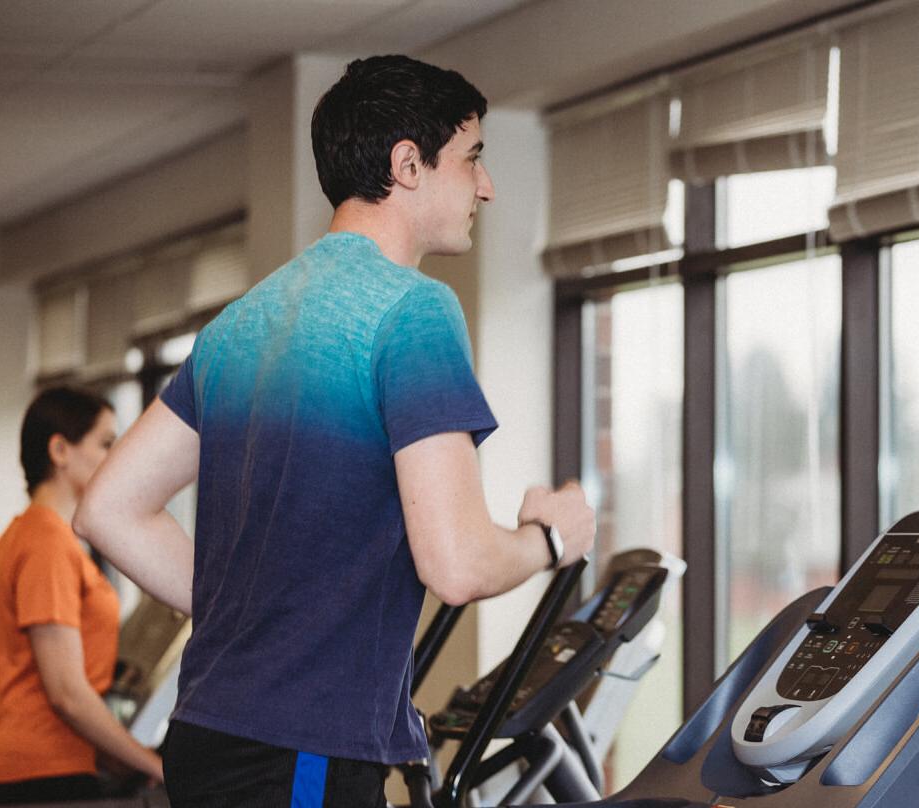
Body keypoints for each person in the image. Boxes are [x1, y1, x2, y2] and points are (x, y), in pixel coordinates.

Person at [75, 54, 596, 807]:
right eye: (473, 158)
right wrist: (551, 539)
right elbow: (454, 564)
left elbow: (109, 508)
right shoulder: (413, 311)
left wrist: (247, 614)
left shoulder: (241, 322)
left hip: (207, 735)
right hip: (299, 751)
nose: (485, 185)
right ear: (407, 164)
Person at [0, 387, 164, 805]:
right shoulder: (46, 542)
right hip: (35, 779)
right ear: (59, 450)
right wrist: (151, 763)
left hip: (41, 771)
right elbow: (67, 693)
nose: (115, 457)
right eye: (106, 443)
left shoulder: (34, 533)